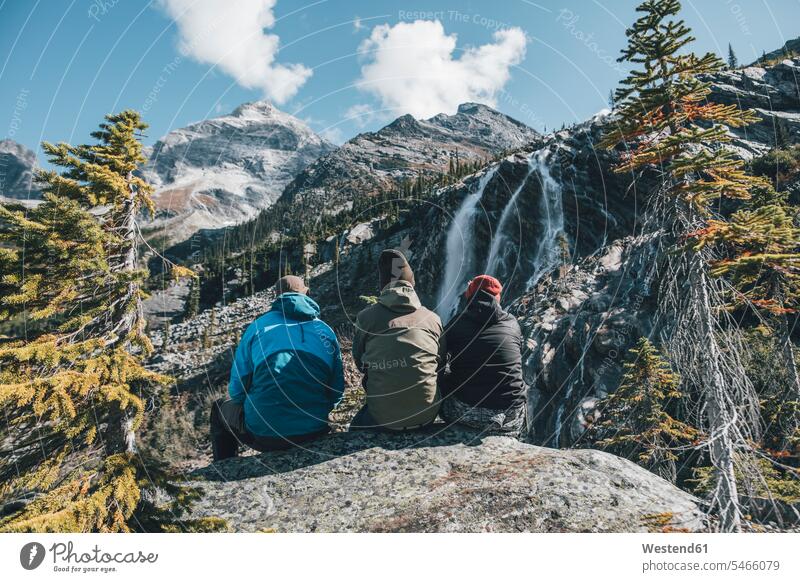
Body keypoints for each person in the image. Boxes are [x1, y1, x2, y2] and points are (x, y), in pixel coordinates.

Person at [210, 275, 344, 460]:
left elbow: (237, 391)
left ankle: (225, 467)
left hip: (265, 435)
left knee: (219, 409)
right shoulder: (325, 331)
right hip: (314, 431)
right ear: (306, 294)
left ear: (277, 296)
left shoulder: (257, 327)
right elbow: (336, 391)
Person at [350, 248, 444, 431]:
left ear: (383, 285)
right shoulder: (433, 319)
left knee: (354, 429)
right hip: (428, 414)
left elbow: (359, 362)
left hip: (382, 418)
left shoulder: (366, 318)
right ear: (411, 283)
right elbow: (440, 362)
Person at [440, 275, 527, 437]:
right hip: (512, 416)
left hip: (466, 412)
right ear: (498, 297)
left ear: (469, 296)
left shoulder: (458, 323)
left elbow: (438, 358)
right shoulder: (512, 323)